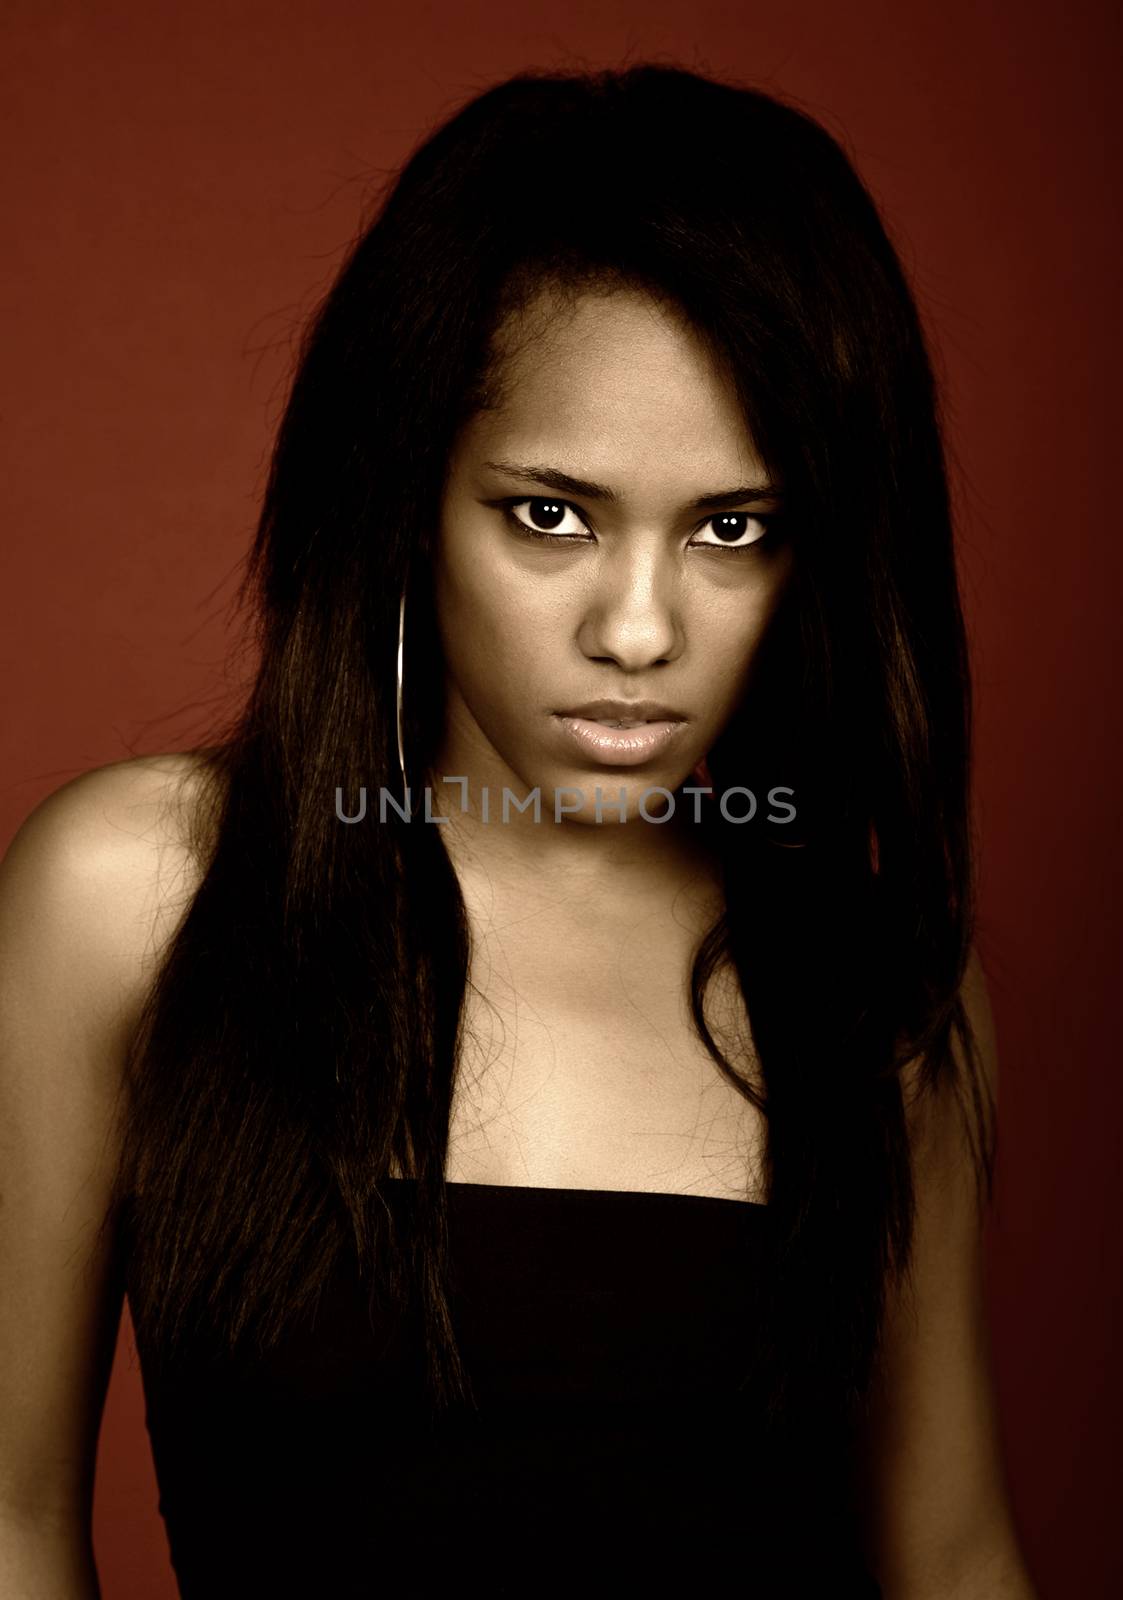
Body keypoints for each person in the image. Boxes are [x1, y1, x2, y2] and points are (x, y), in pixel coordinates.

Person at [0, 62, 1038, 1599]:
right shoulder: (137, 901)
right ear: (407, 498)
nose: (638, 629)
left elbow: (948, 1557)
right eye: (552, 514)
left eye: (731, 528)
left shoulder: (880, 991)